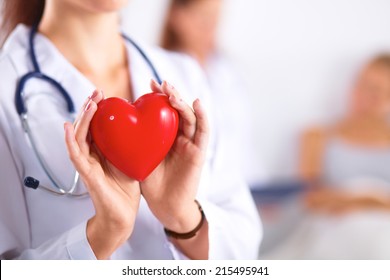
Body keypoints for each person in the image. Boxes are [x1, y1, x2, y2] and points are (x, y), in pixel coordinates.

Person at [0, 0, 262, 260]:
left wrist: (183, 217)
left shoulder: (186, 74)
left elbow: (243, 244)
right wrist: (101, 235)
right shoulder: (6, 88)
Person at [160, 0, 266, 187]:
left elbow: (243, 141)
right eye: (204, 19)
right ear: (177, 17)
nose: (211, 28)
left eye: (216, 18)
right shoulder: (161, 73)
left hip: (250, 187)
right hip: (201, 192)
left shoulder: (227, 70)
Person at [300, 54, 390, 214]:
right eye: (361, 84)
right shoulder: (317, 136)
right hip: (334, 228)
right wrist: (375, 202)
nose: (363, 96)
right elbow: (310, 198)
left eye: (375, 91)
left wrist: (363, 202)